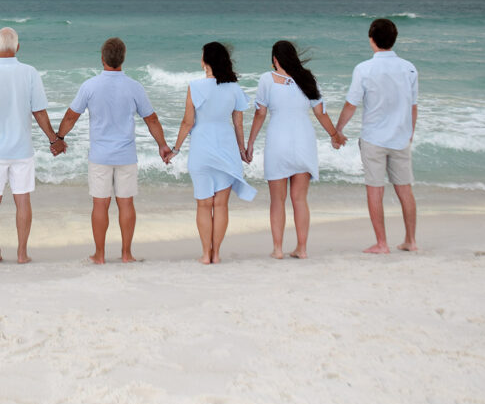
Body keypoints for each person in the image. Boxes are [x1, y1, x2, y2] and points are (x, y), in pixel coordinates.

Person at [56, 37, 173, 264]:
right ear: (123, 59)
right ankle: (127, 254)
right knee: (126, 204)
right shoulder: (134, 86)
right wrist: (162, 145)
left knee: (100, 204)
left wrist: (59, 139)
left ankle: (99, 255)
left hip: (100, 156)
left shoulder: (90, 86)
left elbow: (71, 116)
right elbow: (152, 119)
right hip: (126, 155)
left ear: (102, 59)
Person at [0, 27, 64, 264]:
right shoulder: (30, 72)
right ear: (18, 47)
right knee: (23, 200)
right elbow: (39, 111)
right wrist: (54, 140)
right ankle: (22, 253)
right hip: (22, 150)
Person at [245, 41, 345, 259]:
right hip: (304, 142)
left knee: (277, 200)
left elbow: (260, 114)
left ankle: (278, 249)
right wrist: (335, 135)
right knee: (299, 199)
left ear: (274, 59)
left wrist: (250, 143)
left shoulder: (266, 79)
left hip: (278, 142)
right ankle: (302, 248)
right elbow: (321, 113)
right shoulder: (307, 79)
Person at [335, 18, 419, 254]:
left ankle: (382, 243)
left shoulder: (364, 69)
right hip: (401, 138)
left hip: (374, 139)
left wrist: (338, 130)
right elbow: (414, 106)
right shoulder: (409, 68)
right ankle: (410, 241)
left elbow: (351, 104)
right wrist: (409, 134)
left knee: (375, 190)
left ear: (371, 39)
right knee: (405, 190)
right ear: (394, 39)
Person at [172, 42, 257, 264]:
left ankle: (205, 254)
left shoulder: (195, 86)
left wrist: (175, 149)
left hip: (201, 150)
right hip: (226, 150)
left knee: (203, 204)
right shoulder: (234, 88)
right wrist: (243, 150)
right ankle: (217, 253)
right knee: (220, 205)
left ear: (205, 61)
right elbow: (238, 124)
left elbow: (187, 123)